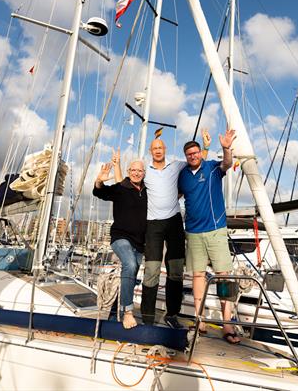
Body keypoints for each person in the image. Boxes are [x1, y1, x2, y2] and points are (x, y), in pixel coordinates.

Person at [114, 132, 211, 327]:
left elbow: (196, 163)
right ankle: (148, 317)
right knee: (151, 270)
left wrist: (206, 147)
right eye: (155, 148)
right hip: (153, 225)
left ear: (165, 150)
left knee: (175, 271)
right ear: (151, 152)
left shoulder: (176, 165)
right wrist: (116, 164)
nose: (158, 151)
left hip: (174, 222)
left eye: (161, 148)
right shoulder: (145, 170)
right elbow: (122, 185)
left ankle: (172, 315)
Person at [177, 128, 240, 344]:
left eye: (196, 153)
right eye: (189, 154)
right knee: (197, 275)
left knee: (224, 275)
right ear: (186, 157)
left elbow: (227, 164)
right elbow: (175, 195)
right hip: (193, 232)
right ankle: (199, 318)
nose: (193, 156)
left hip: (215, 229)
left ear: (199, 154)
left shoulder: (212, 167)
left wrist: (226, 148)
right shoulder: (183, 175)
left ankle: (228, 324)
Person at [93, 159, 147, 328]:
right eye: (133, 170)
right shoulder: (121, 188)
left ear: (144, 173)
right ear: (128, 171)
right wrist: (99, 181)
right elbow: (99, 192)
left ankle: (113, 313)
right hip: (120, 237)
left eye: (140, 170)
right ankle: (128, 313)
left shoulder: (148, 191)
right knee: (130, 264)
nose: (136, 173)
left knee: (130, 277)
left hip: (140, 242)